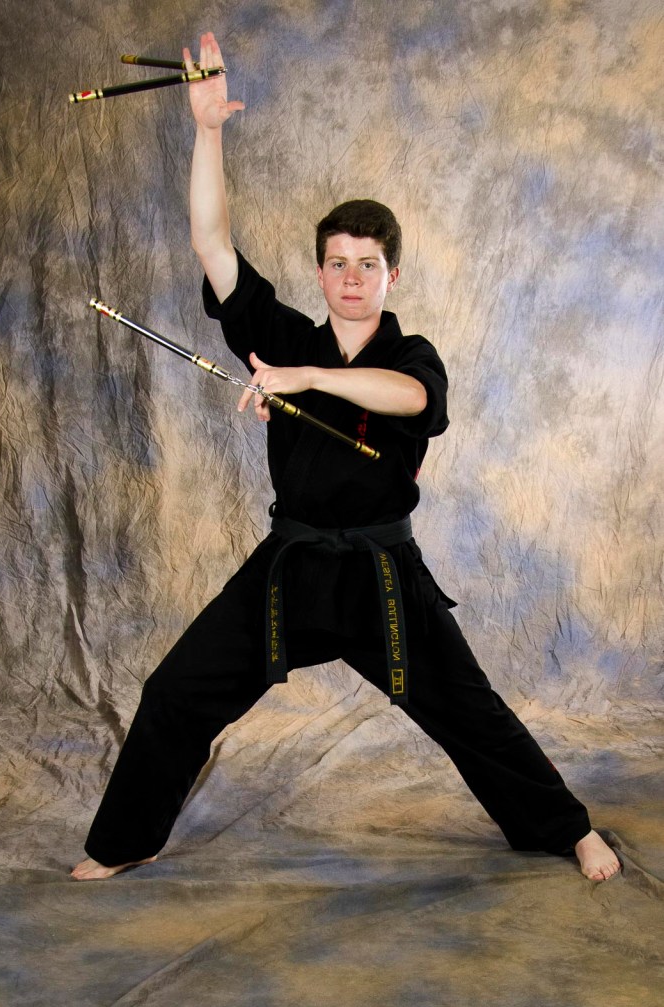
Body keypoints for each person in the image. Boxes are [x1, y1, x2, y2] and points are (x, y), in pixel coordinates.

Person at [72, 32, 620, 883]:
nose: (352, 278)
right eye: (338, 264)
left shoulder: (411, 356)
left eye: (369, 265)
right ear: (321, 272)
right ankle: (127, 840)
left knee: (472, 714)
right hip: (289, 567)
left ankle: (570, 828)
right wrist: (208, 129)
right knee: (175, 692)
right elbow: (213, 245)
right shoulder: (285, 334)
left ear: (392, 274)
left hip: (381, 575)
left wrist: (306, 378)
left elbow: (412, 401)